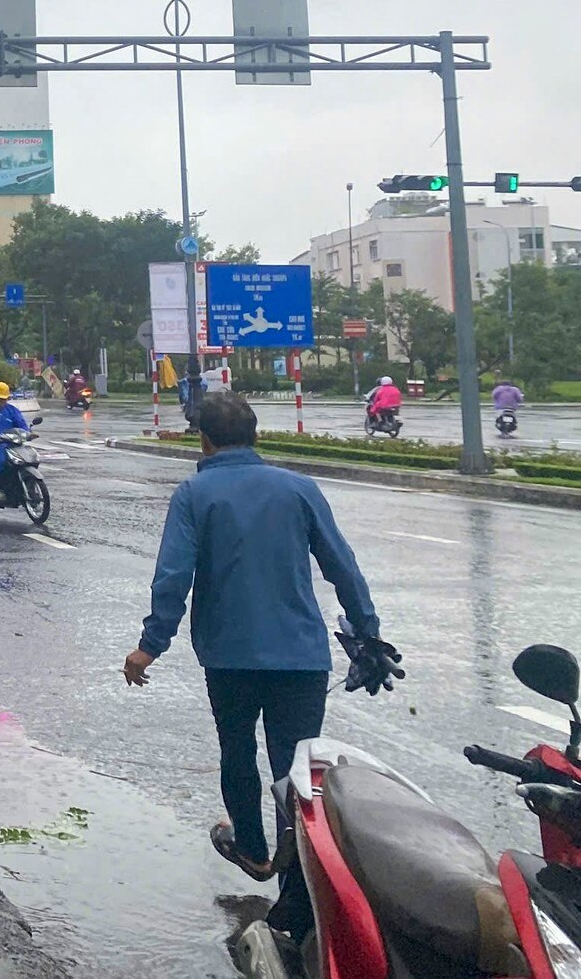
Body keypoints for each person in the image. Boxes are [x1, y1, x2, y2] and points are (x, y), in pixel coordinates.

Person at [123, 392, 391, 939]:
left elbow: (174, 576)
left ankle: (251, 847)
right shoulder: (298, 488)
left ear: (204, 438)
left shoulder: (194, 493)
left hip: (229, 655)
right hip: (300, 655)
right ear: (256, 435)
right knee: (295, 771)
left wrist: (151, 645)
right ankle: (297, 891)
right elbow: (343, 566)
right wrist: (368, 632)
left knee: (238, 749)